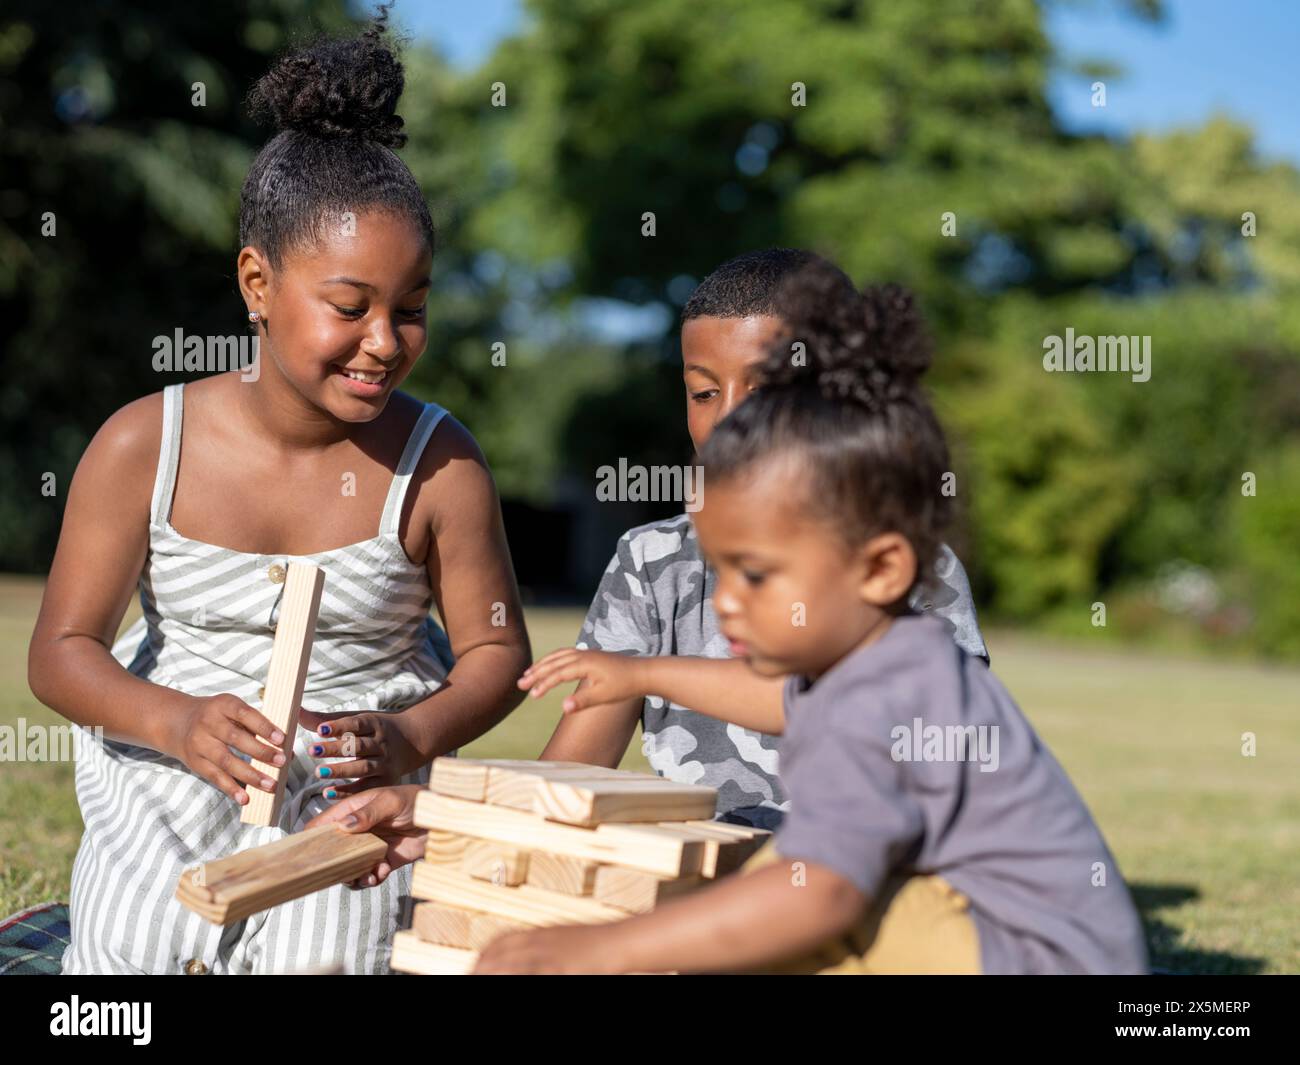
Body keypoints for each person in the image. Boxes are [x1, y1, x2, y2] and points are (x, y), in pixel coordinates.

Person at [28, 10, 530, 974]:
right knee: (135, 954)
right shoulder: (145, 445)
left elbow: (499, 650)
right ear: (258, 282)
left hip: (346, 815)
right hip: (165, 783)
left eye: (412, 309)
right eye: (351, 307)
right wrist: (173, 720)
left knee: (325, 961)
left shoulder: (439, 464)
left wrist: (410, 732)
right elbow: (60, 654)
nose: (385, 340)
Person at [485, 265, 1148, 974]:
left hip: (1020, 955)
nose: (726, 599)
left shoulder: (886, 684)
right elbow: (773, 699)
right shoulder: (875, 661)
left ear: (884, 570)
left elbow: (821, 894)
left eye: (757, 574)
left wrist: (603, 952)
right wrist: (637, 673)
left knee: (784, 905)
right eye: (704, 391)